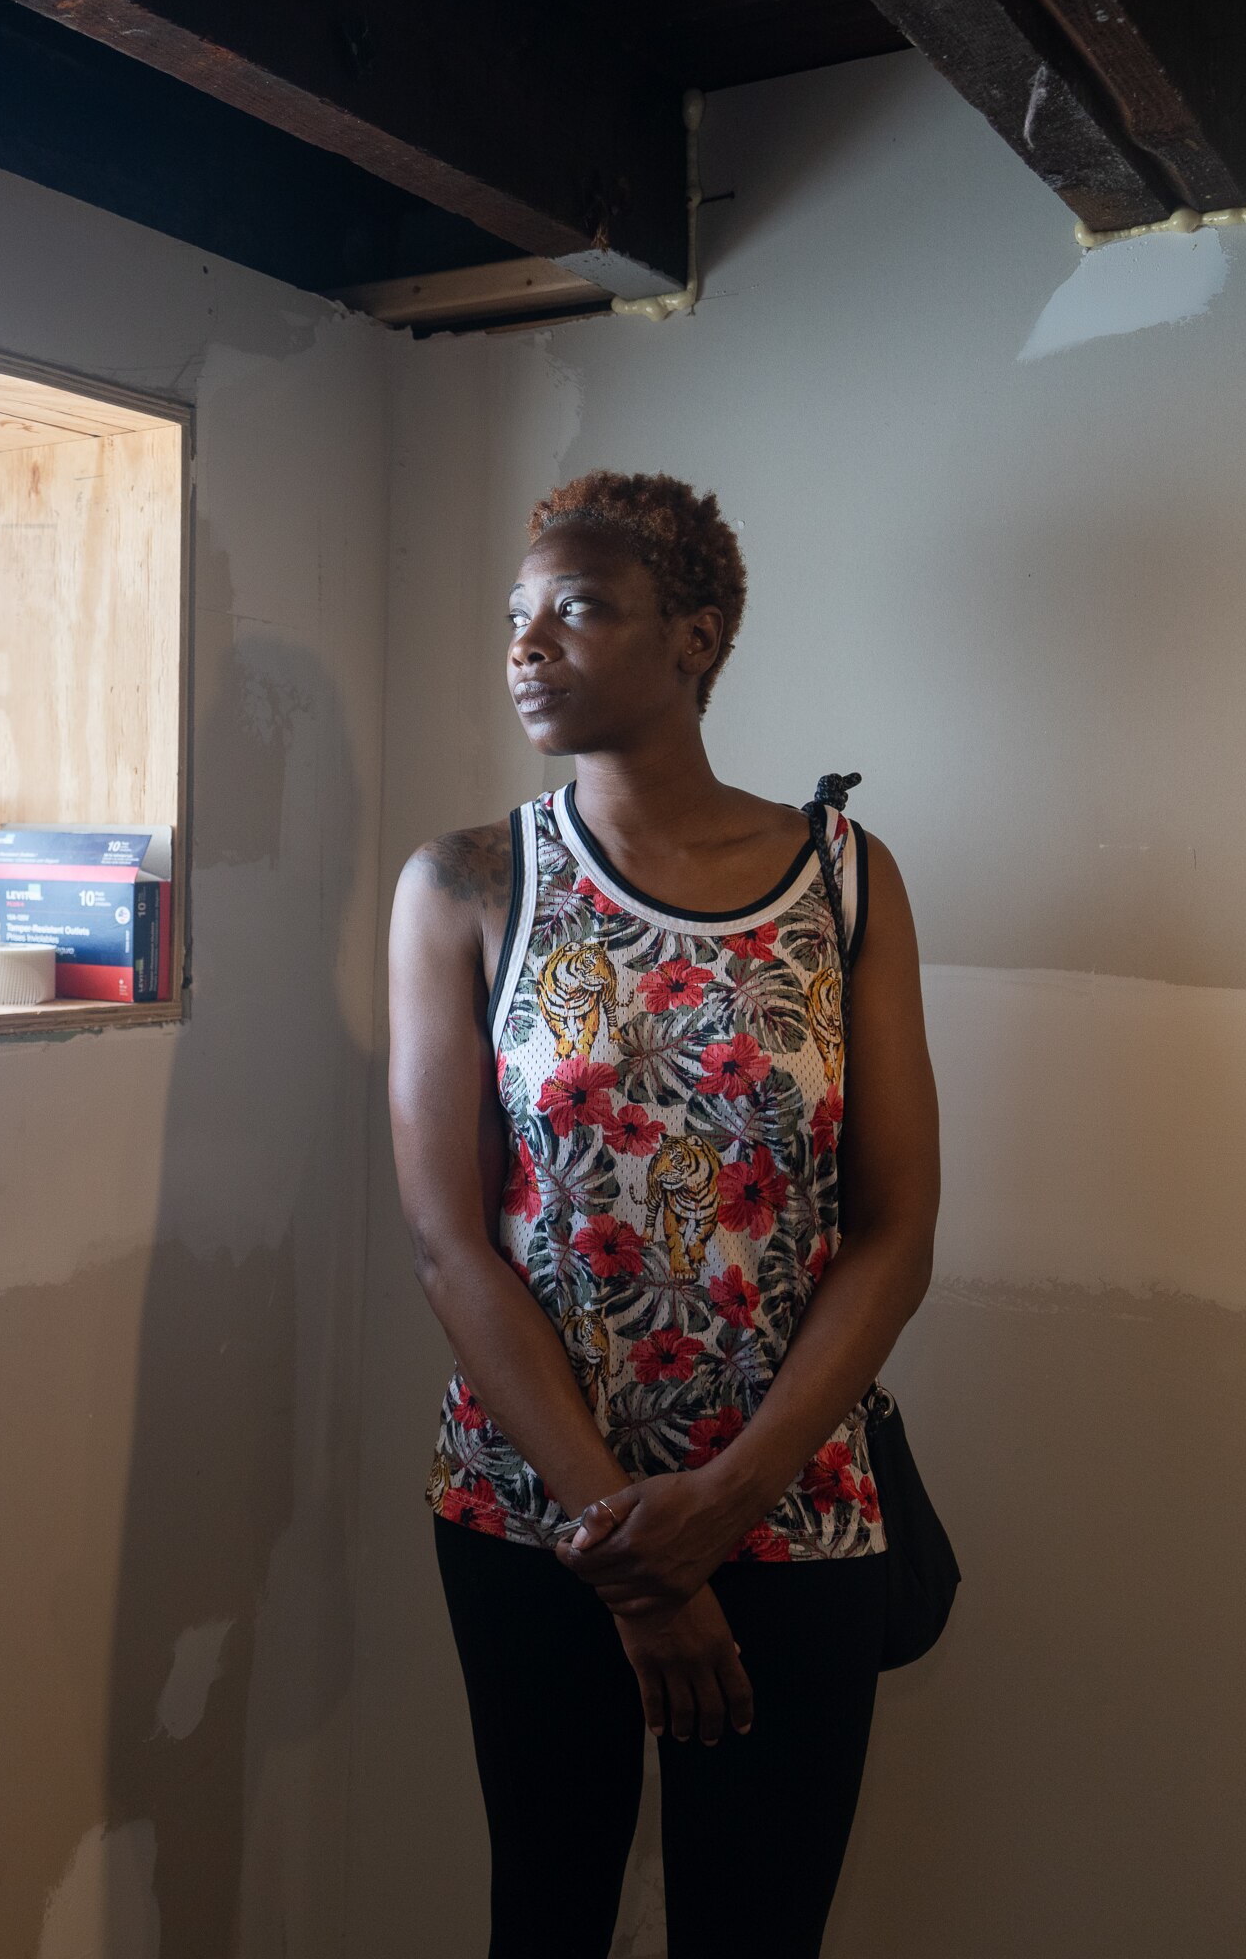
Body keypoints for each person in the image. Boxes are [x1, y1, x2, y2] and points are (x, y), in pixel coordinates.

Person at [386, 472, 942, 1957]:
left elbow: (896, 1227)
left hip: (793, 1507)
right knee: (547, 1921)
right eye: (516, 616)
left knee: (757, 1936)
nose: (527, 644)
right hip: (532, 1511)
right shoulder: (468, 883)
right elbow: (450, 1237)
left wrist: (727, 1505)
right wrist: (627, 1546)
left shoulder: (847, 883)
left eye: (576, 608)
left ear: (696, 637)